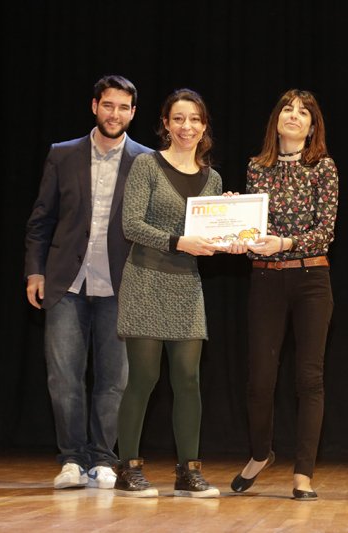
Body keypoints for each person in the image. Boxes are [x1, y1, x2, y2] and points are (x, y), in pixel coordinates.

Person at [24, 75, 151, 490]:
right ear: (95, 106)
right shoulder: (63, 155)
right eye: (108, 105)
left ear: (133, 112)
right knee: (64, 377)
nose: (115, 114)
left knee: (115, 380)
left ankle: (103, 460)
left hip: (122, 285)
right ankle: (72, 459)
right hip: (66, 283)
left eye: (123, 108)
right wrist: (35, 270)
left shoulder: (147, 161)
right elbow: (41, 220)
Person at [228, 89, 339, 501]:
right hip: (266, 278)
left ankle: (303, 474)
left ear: (312, 126)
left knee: (309, 378)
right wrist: (233, 219)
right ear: (276, 120)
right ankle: (260, 455)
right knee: (260, 378)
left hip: (311, 280)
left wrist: (285, 244)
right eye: (288, 109)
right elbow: (255, 230)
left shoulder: (323, 168)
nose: (294, 116)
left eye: (304, 112)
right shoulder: (257, 167)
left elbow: (325, 233)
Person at [114, 88, 222, 498]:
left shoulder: (212, 178)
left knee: (189, 379)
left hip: (186, 286)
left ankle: (188, 471)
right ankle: (128, 468)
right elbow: (132, 225)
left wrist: (228, 225)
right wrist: (179, 241)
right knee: (143, 377)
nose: (186, 126)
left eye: (194, 119)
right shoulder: (146, 165)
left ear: (204, 125)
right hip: (145, 280)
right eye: (178, 118)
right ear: (165, 123)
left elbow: (209, 239)